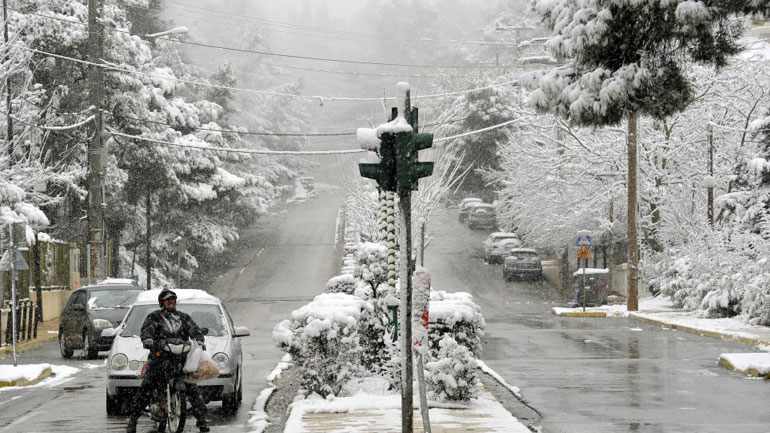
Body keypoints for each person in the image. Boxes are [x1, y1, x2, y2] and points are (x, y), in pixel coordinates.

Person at [126, 289, 210, 433]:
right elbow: (147, 330)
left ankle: (201, 420)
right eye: (167, 300)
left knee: (192, 388)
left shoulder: (183, 317)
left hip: (180, 361)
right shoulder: (154, 317)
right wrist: (148, 339)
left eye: (172, 299)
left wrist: (200, 340)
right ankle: (133, 420)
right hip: (159, 359)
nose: (170, 302)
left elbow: (194, 330)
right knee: (147, 386)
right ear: (162, 303)